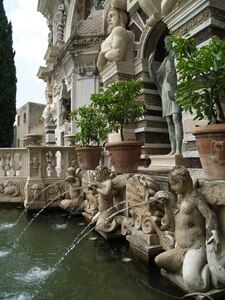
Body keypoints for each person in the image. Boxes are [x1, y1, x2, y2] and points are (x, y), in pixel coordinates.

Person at [154, 166, 219, 292]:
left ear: (183, 181)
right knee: (158, 260)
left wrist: (213, 232)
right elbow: (173, 226)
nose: (172, 187)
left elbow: (210, 216)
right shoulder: (179, 199)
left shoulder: (195, 196)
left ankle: (206, 272)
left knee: (197, 285)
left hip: (195, 247)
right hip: (179, 248)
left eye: (174, 184)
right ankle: (185, 268)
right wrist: (167, 206)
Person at [148, 37, 183, 155]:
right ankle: (173, 149)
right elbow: (156, 77)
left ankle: (179, 149)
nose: (165, 46)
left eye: (167, 43)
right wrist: (149, 66)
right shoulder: (166, 59)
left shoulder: (176, 55)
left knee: (176, 118)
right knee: (169, 121)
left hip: (174, 89)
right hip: (164, 90)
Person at [97, 7, 132, 72]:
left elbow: (117, 56)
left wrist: (104, 54)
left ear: (120, 18)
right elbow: (100, 69)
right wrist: (102, 53)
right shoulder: (105, 41)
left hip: (123, 71)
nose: (108, 19)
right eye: (108, 17)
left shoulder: (118, 30)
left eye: (112, 16)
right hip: (110, 74)